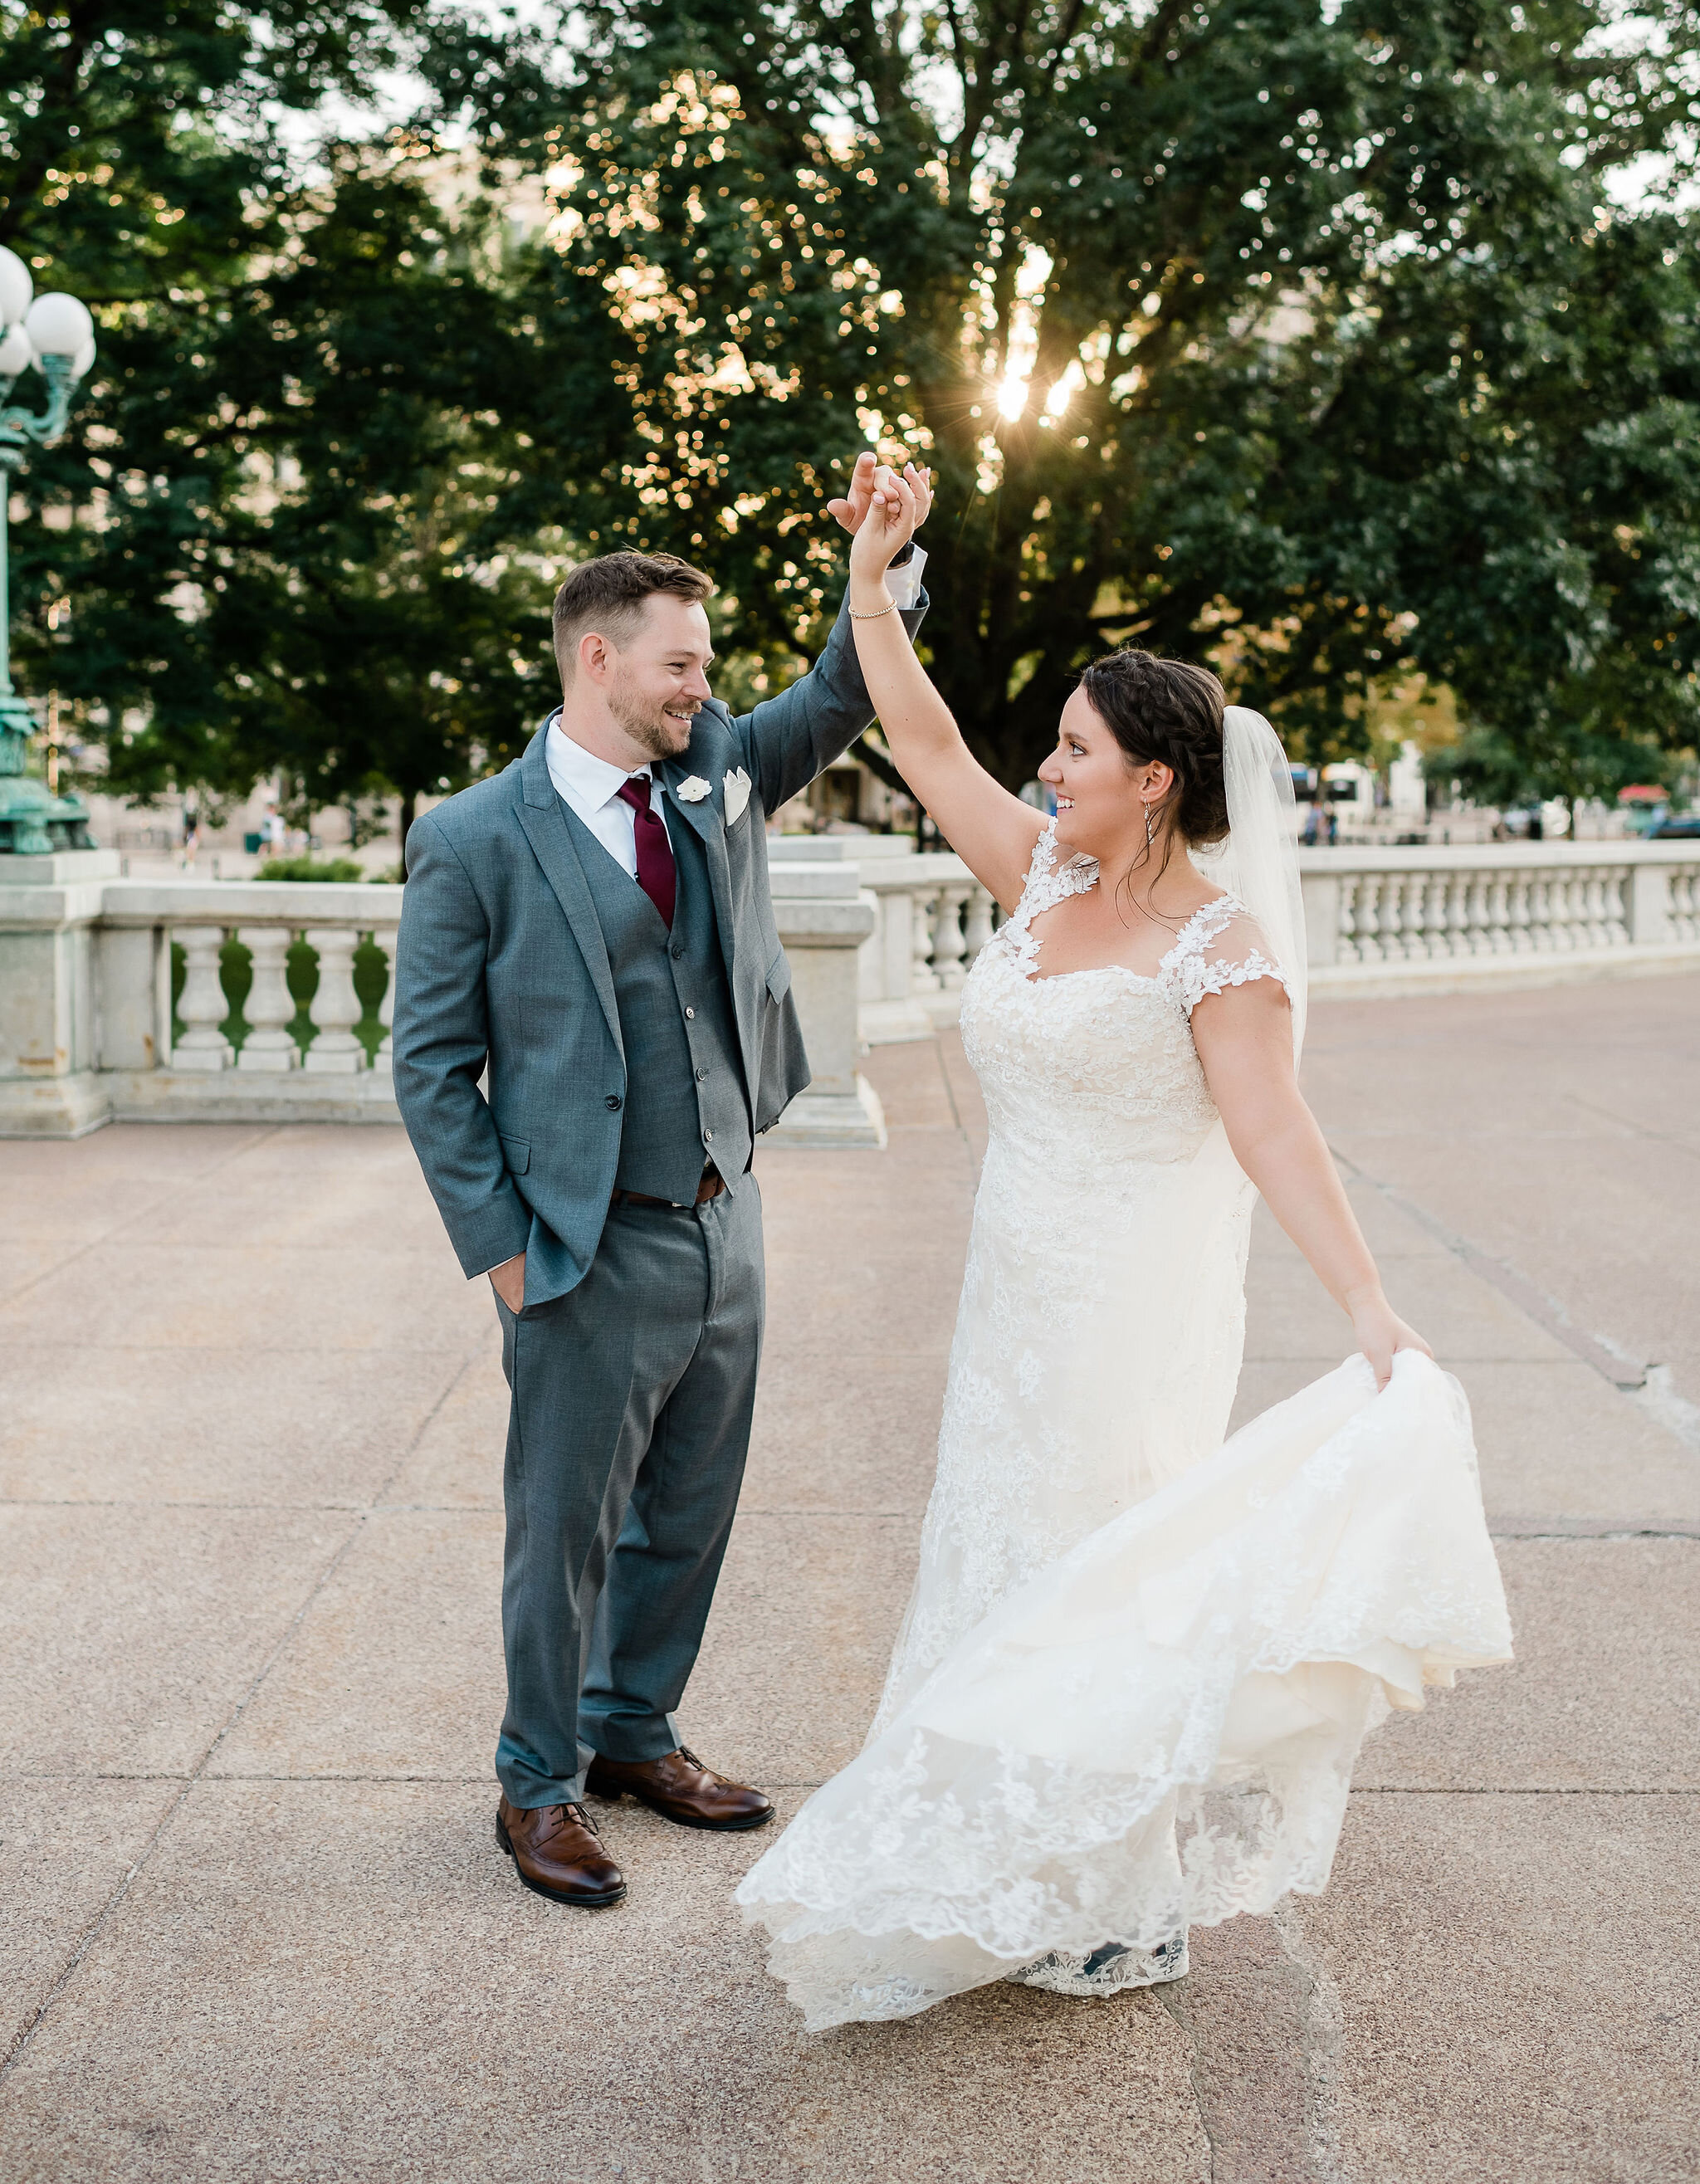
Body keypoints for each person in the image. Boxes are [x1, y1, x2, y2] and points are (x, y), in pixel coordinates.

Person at [738, 468, 1511, 2030]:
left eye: (1078, 747)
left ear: (1154, 779)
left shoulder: (1220, 948)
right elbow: (927, 736)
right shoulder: (1040, 875)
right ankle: (989, 1866)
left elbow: (1275, 1135)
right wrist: (872, 578)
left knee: (1096, 1578)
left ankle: (1100, 1892)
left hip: (1131, 1307)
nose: (1048, 761)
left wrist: (1370, 1308)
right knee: (995, 1554)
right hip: (1013, 1291)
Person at [390, 476, 929, 1911]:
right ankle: (537, 1785)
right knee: (560, 1535)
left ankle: (634, 1733)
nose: (707, 685)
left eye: (708, 663)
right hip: (580, 1250)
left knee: (688, 1511)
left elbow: (842, 685)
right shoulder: (473, 837)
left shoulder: (715, 771)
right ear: (598, 660)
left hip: (723, 1223)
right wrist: (507, 1256)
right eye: (682, 662)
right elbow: (431, 1069)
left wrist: (884, 564)